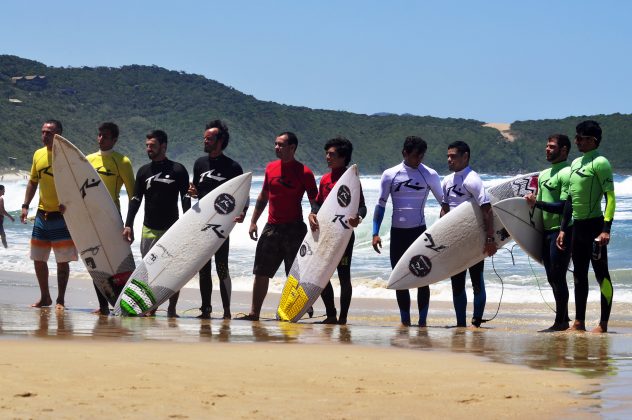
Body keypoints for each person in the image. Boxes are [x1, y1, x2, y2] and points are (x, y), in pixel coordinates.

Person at [237, 131, 318, 321]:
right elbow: (263, 196)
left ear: (292, 148)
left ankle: (298, 307)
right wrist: (253, 221)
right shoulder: (270, 168)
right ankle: (254, 313)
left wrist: (314, 213)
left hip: (295, 229)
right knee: (261, 271)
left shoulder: (304, 172)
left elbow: (315, 199)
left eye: (281, 145)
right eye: (275, 144)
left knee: (295, 274)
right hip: (272, 227)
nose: (276, 148)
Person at [372, 136, 443, 327]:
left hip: (419, 233)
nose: (418, 159)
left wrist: (444, 229)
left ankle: (422, 322)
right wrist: (375, 232)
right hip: (398, 234)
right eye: (415, 156)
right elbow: (380, 205)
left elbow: (444, 204)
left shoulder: (429, 174)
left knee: (423, 278)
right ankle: (405, 321)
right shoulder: (390, 174)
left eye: (421, 156)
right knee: (400, 278)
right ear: (404, 153)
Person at [123, 129, 190, 318]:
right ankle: (150, 306)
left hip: (172, 228)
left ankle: (171, 308)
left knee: (173, 271)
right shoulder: (144, 171)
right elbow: (135, 199)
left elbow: (186, 200)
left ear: (163, 146)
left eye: (152, 145)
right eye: (147, 146)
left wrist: (188, 226)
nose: (148, 149)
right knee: (149, 271)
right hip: (149, 228)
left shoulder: (178, 170)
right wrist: (129, 224)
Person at [557, 120, 615, 333]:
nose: (577, 141)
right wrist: (564, 228)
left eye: (581, 138)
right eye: (576, 137)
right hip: (577, 228)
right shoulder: (575, 164)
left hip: (595, 227)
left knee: (602, 275)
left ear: (593, 140)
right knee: (579, 275)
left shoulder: (600, 163)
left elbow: (610, 198)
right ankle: (579, 322)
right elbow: (570, 200)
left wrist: (606, 229)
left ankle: (603, 324)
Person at [187, 119, 246, 320]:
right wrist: (193, 192)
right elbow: (197, 193)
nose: (205, 141)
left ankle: (227, 311)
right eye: (204, 138)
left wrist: (243, 213)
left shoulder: (232, 167)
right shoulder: (199, 164)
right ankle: (206, 309)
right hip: (202, 225)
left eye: (209, 138)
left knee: (222, 267)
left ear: (220, 140)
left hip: (222, 225)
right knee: (204, 268)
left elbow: (242, 197)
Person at [308, 136, 367, 325]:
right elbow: (318, 203)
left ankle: (343, 318)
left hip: (343, 237)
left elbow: (362, 206)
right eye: (327, 153)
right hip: (326, 234)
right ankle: (331, 314)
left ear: (343, 158)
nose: (327, 157)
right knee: (322, 274)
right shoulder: (325, 179)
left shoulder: (351, 180)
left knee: (343, 276)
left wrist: (357, 218)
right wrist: (312, 213)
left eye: (331, 154)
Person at [20, 120, 78, 310]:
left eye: (49, 133)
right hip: (42, 214)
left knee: (62, 261)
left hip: (61, 217)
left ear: (59, 135)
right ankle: (45, 297)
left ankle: (60, 299)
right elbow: (33, 182)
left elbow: (78, 186)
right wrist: (25, 205)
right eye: (43, 132)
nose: (45, 135)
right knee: (38, 258)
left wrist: (68, 203)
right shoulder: (38, 154)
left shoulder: (68, 156)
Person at [441, 141, 497, 328]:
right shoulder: (447, 181)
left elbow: (487, 210)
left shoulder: (472, 179)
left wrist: (490, 238)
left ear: (465, 157)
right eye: (448, 156)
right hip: (455, 239)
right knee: (456, 282)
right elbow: (445, 211)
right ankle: (460, 324)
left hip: (474, 239)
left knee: (476, 281)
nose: (449, 160)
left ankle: (476, 322)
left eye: (453, 156)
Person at [86, 122, 135, 315]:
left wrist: (129, 224)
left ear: (114, 139)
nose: (101, 139)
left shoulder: (122, 161)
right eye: (99, 135)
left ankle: (121, 303)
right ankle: (104, 306)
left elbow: (133, 195)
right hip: (90, 219)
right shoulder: (87, 160)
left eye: (105, 136)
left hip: (112, 219)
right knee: (95, 262)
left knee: (115, 263)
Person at [525, 134, 573, 331]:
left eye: (552, 147)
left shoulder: (568, 173)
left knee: (558, 275)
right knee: (551, 277)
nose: (547, 149)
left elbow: (563, 206)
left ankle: (560, 322)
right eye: (546, 146)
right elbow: (538, 206)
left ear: (564, 150)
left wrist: (538, 203)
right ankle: (564, 317)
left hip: (561, 231)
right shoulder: (543, 175)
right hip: (544, 232)